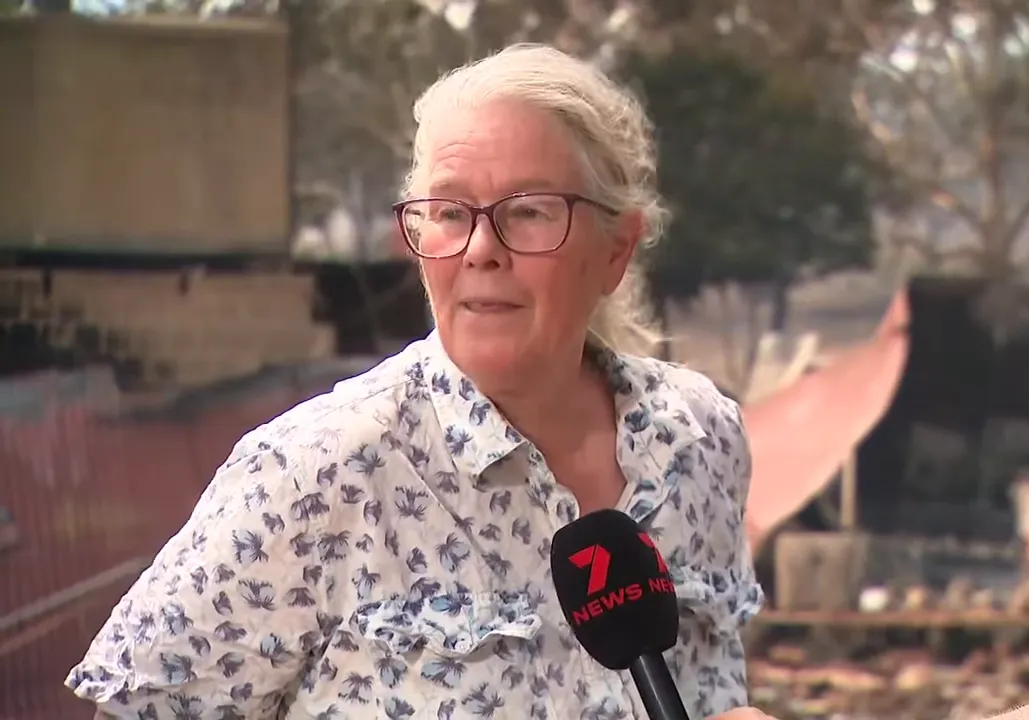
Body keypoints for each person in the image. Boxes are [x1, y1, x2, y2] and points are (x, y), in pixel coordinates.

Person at [66, 43, 776, 720]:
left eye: (528, 212)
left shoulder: (699, 437)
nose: (480, 250)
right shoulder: (314, 472)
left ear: (616, 250)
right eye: (448, 213)